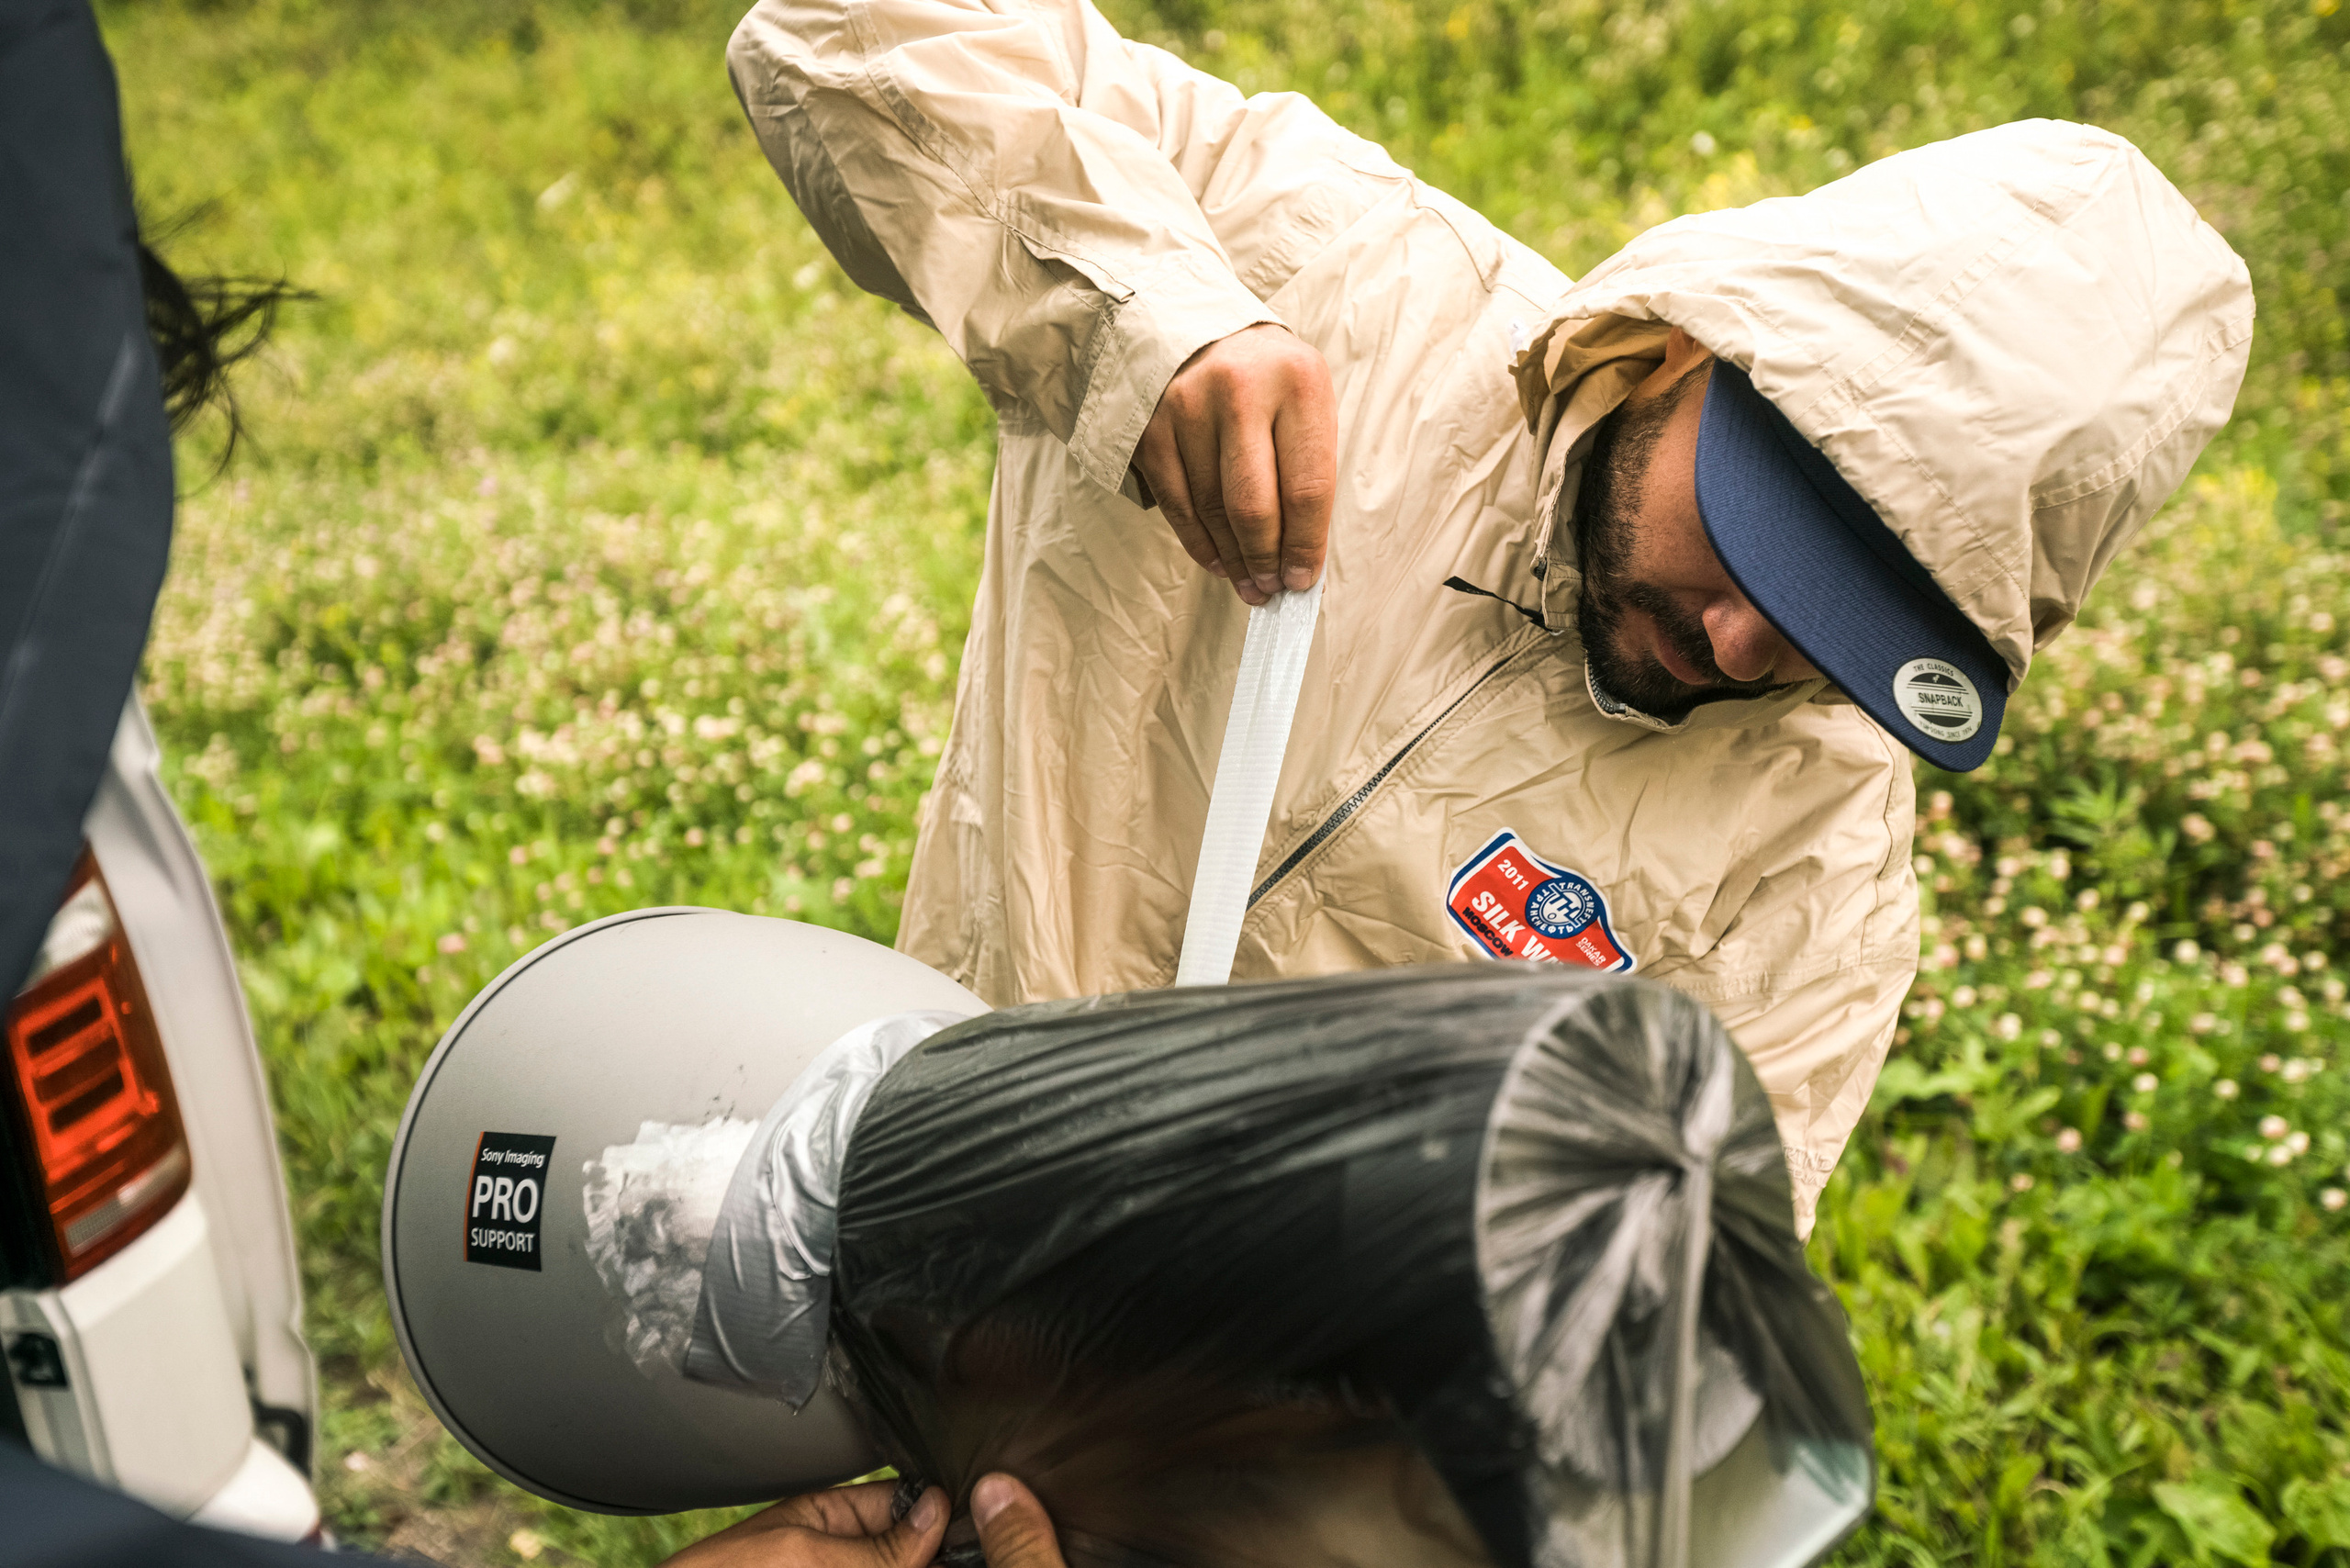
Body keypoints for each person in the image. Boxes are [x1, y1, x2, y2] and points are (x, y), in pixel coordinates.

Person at [723, 0, 2251, 1238]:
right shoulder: (1328, 265)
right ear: (1684, 352)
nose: (1739, 651)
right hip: (903, 1173)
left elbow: (1649, 1326)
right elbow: (842, 35)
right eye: (1759, 553)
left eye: (1838, 637)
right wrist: (1142, 302)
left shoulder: (1817, 865)